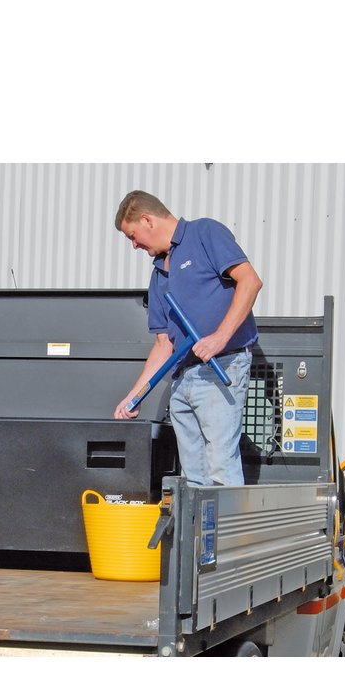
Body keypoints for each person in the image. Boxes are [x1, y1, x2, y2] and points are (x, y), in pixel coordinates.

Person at [113, 190, 263, 486]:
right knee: (194, 476)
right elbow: (163, 344)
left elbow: (250, 281)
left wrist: (220, 337)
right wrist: (135, 395)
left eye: (133, 236)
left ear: (147, 220)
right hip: (183, 379)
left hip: (221, 366)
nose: (134, 245)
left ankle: (227, 519)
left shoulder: (204, 233)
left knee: (220, 467)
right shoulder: (159, 274)